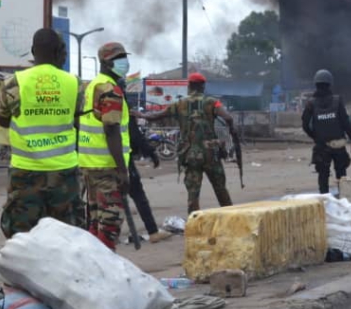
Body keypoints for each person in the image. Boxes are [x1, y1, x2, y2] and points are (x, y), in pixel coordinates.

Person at [0, 28, 82, 238]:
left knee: (23, 237)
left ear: (33, 51)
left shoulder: (14, 83)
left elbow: (2, 120)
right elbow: (76, 118)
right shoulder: (74, 83)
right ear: (59, 51)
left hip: (25, 172)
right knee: (67, 236)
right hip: (64, 173)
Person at [138, 72, 240, 215]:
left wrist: (141, 115)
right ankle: (231, 218)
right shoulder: (212, 102)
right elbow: (228, 117)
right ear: (203, 86)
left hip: (189, 154)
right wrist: (232, 132)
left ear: (190, 86)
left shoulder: (179, 104)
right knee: (220, 188)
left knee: (193, 193)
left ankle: (194, 222)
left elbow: (155, 116)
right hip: (210, 154)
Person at [78, 42, 133, 250]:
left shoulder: (92, 85)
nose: (124, 63)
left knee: (95, 221)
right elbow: (111, 129)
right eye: (118, 59)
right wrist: (122, 169)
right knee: (110, 222)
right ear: (105, 62)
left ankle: (92, 264)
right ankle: (104, 265)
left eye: (123, 58)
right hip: (106, 167)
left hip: (89, 165)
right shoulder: (110, 89)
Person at [301, 69, 351, 194]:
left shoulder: (311, 103)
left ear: (316, 84)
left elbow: (305, 125)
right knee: (342, 176)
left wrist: (315, 137)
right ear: (330, 84)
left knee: (323, 176)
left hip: (321, 146)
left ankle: (325, 203)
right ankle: (343, 202)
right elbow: (345, 122)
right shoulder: (337, 101)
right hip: (339, 145)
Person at [127, 110, 172, 242]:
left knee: (99, 200)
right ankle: (153, 232)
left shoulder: (88, 102)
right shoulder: (120, 108)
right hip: (121, 159)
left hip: (92, 161)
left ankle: (94, 234)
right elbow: (136, 137)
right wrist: (151, 153)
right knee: (139, 196)